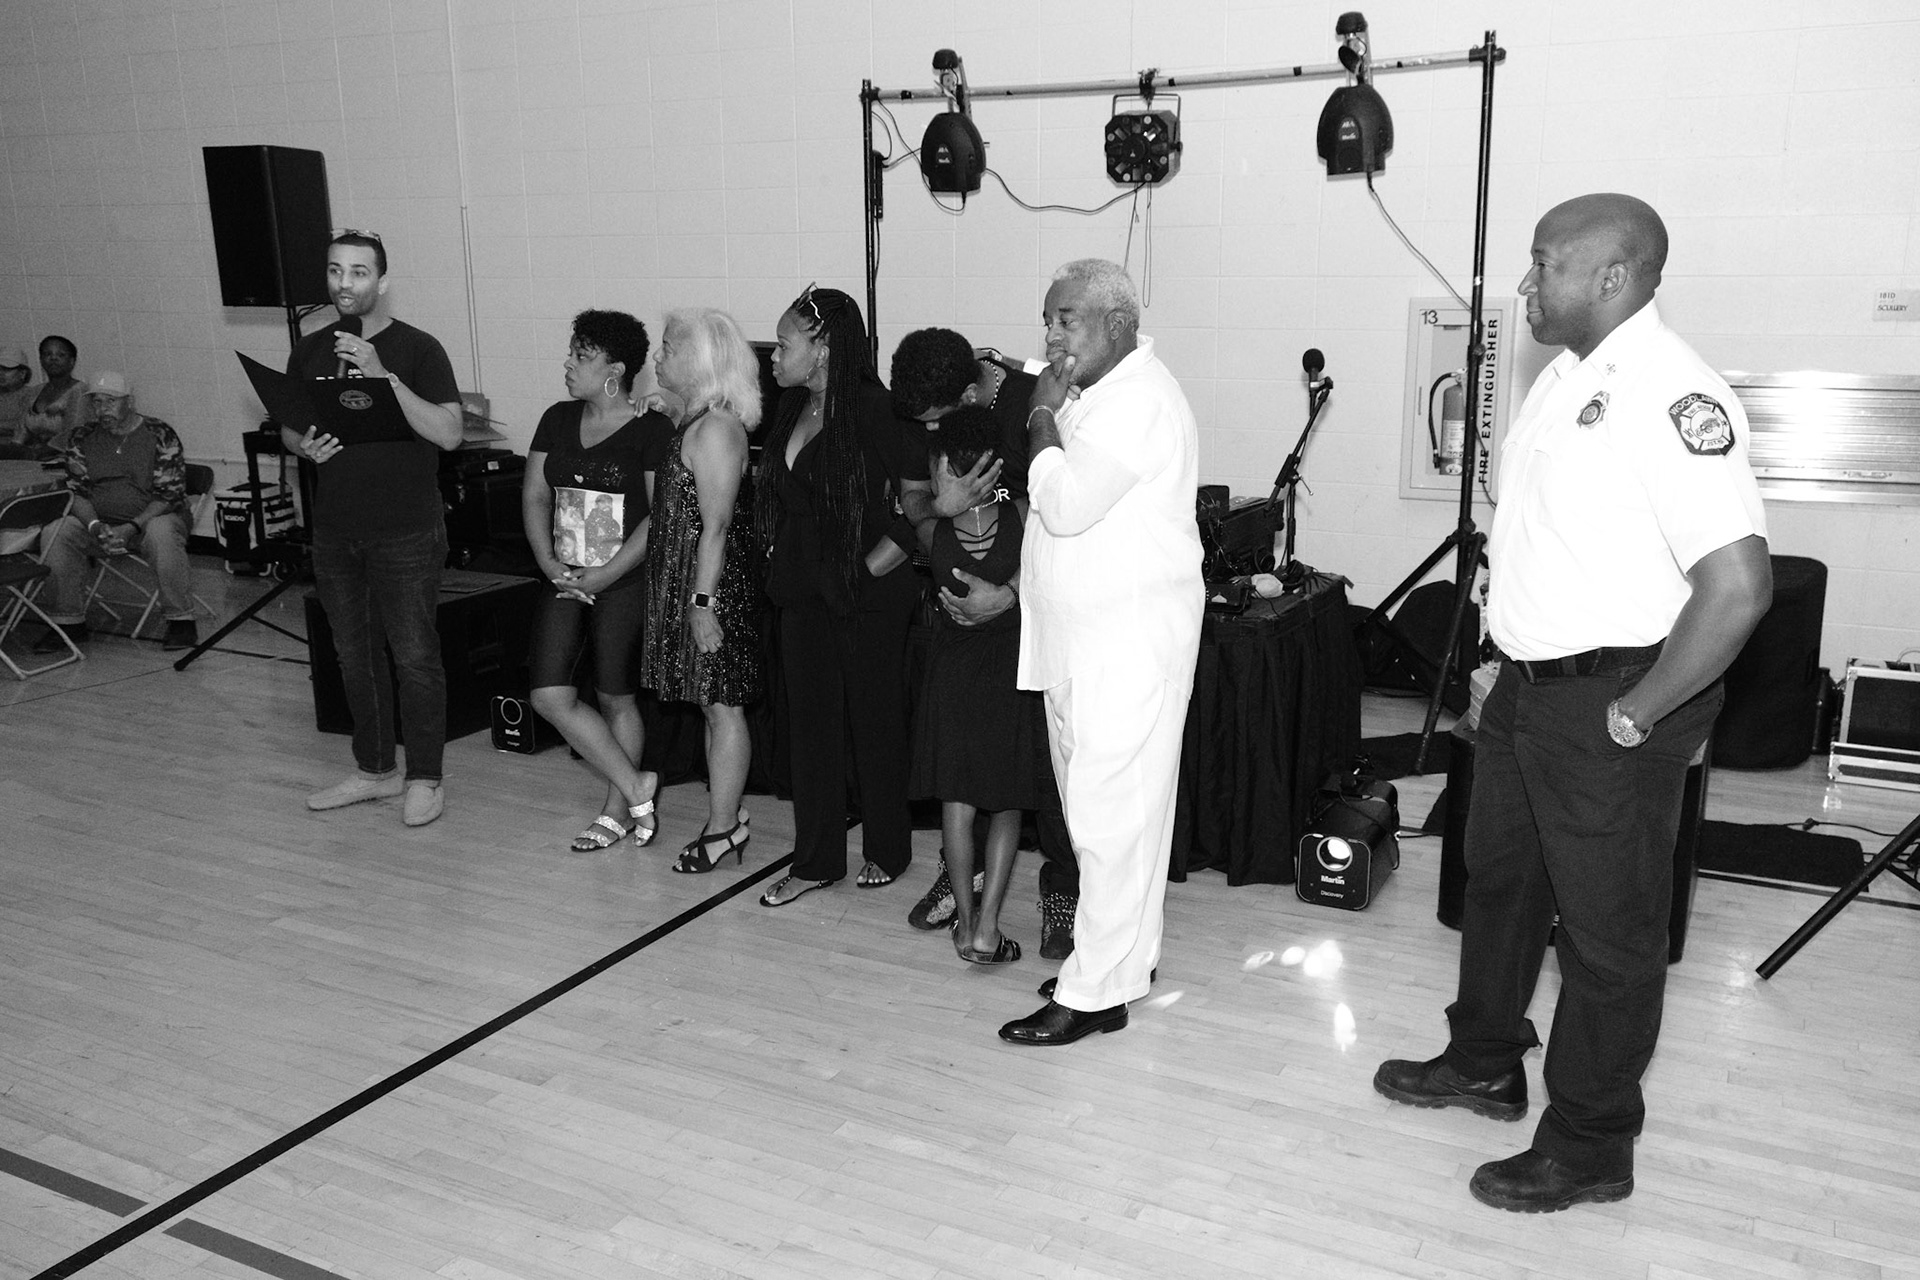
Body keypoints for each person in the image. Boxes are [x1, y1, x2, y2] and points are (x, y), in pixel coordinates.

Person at [1373, 194, 1772, 1213]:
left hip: (1611, 696)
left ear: (1613, 275)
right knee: (1498, 882)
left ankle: (1592, 1142)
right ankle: (1483, 1061)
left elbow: (1737, 588)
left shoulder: (1673, 393)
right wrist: (1500, 658)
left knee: (1606, 933)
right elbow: (1546, 543)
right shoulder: (1564, 379)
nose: (1525, 283)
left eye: (1545, 262)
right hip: (1528, 686)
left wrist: (1641, 711)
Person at [998, 259, 1203, 1047]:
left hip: (1123, 649)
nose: (1052, 336)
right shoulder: (1100, 392)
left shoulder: (1138, 401)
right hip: (1083, 645)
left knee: (1110, 827)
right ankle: (1117, 965)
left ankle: (1093, 994)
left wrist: (1038, 420)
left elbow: (1067, 504)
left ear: (1118, 324)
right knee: (1110, 823)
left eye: (1067, 320)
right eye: (1047, 319)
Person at [889, 327, 1080, 961]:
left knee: (1034, 778)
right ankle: (967, 890)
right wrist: (937, 505)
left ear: (971, 393)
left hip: (1033, 623)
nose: (930, 432)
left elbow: (1066, 525)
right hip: (971, 636)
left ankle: (1061, 893)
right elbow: (913, 500)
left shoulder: (1037, 403)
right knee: (983, 783)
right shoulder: (929, 416)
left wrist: (1011, 593)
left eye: (938, 419)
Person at [752, 283, 934, 906]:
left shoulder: (877, 410)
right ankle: (816, 860)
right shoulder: (790, 407)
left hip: (868, 593)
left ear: (824, 348)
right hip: (802, 589)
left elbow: (922, 505)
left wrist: (870, 569)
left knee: (874, 723)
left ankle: (889, 847)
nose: (774, 357)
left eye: (784, 345)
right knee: (810, 729)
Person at [284, 230, 463, 828]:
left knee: (414, 657)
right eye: (335, 270)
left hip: (406, 529)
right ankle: (376, 768)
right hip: (336, 528)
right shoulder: (310, 350)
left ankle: (426, 777)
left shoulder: (418, 348)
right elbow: (290, 425)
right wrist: (302, 445)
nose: (344, 283)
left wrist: (382, 375)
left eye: (359, 272)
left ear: (382, 282)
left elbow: (448, 433)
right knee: (353, 655)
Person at [521, 309, 673, 852]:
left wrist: (605, 574)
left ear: (616, 370)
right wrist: (549, 564)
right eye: (572, 352)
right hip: (564, 576)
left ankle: (616, 810)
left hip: (624, 580)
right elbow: (536, 496)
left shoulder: (652, 429)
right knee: (548, 694)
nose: (568, 363)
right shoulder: (556, 419)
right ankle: (636, 785)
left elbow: (660, 516)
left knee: (615, 697)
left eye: (582, 356)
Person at [907, 405, 1044, 964]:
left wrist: (938, 501)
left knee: (957, 802)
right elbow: (1049, 577)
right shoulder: (1027, 515)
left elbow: (912, 507)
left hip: (952, 674)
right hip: (1011, 671)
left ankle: (964, 927)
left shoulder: (931, 529)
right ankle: (988, 930)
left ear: (944, 467)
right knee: (1007, 804)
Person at [639, 307, 765, 873]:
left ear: (701, 360)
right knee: (711, 706)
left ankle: (724, 828)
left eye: (668, 347)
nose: (657, 356)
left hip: (711, 590)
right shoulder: (698, 422)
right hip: (692, 584)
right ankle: (727, 816)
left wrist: (701, 604)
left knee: (722, 707)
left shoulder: (717, 428)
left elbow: (716, 525)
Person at [33, 371, 198, 652]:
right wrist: (95, 526)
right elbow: (77, 492)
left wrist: (131, 527)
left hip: (152, 519)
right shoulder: (81, 437)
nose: (102, 409)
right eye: (96, 402)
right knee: (56, 532)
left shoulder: (159, 433)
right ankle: (68, 622)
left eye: (111, 401)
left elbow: (169, 496)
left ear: (129, 402)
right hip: (100, 524)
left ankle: (181, 619)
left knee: (161, 533)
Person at [23, 336, 84, 458]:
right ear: (41, 360)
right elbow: (21, 431)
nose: (53, 358)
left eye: (61, 355)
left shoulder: (80, 392)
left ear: (72, 361)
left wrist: (35, 454)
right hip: (30, 457)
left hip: (65, 458)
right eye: (47, 354)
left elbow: (72, 434)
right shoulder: (34, 392)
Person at [0, 347, 33, 455]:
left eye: (6, 369)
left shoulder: (32, 395)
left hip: (18, 453)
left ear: (22, 373)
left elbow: (26, 427)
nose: (0, 373)